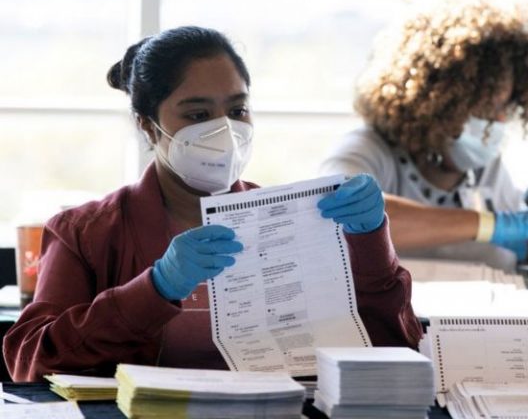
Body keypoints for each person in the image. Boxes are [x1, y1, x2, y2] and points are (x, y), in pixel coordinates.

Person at [3, 26, 421, 382]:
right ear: (147, 126)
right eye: (197, 114)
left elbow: (393, 349)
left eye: (238, 109)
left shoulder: (293, 223)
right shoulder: (86, 232)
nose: (225, 130)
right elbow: (29, 361)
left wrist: (370, 243)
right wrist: (153, 289)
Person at [320, 0, 528, 269]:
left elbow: (522, 252)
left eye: (505, 107)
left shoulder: (486, 167)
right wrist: (488, 224)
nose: (499, 120)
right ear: (437, 100)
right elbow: (338, 214)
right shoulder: (367, 149)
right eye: (487, 108)